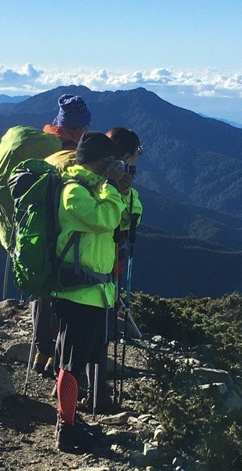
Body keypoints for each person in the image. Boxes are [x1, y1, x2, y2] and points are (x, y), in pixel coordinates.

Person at [52, 131, 133, 452]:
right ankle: (66, 429)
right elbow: (105, 220)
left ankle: (70, 418)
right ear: (102, 162)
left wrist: (121, 190)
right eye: (113, 163)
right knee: (71, 362)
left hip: (96, 292)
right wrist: (112, 187)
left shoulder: (96, 188)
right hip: (76, 293)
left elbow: (124, 219)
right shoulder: (73, 191)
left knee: (82, 356)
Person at [80, 128, 144, 411]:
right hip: (104, 262)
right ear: (128, 153)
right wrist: (123, 191)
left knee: (87, 331)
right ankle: (95, 390)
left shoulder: (87, 173)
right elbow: (127, 222)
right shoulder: (106, 181)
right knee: (100, 329)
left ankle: (90, 387)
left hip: (79, 261)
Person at [30, 94, 92, 377]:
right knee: (62, 296)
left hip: (39, 235)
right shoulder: (72, 162)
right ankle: (58, 358)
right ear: (80, 129)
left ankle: (41, 350)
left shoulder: (48, 153)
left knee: (42, 292)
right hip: (65, 237)